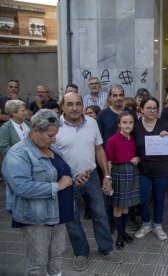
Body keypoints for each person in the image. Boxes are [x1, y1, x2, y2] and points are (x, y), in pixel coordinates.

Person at [55, 92, 123, 271]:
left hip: (91, 176)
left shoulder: (92, 122)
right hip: (68, 180)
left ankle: (106, 248)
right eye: (70, 104)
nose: (75, 108)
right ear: (62, 106)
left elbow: (99, 150)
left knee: (100, 214)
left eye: (78, 103)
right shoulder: (54, 126)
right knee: (72, 219)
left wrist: (107, 176)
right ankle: (80, 252)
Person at [2, 109, 74, 276]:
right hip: (37, 217)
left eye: (55, 134)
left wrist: (76, 175)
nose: (54, 139)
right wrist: (57, 186)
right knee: (37, 263)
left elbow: (61, 170)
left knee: (56, 256)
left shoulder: (52, 147)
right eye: (50, 135)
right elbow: (21, 187)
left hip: (60, 212)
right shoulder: (18, 153)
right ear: (34, 130)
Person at [134, 97, 168, 241]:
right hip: (143, 169)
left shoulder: (165, 123)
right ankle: (146, 224)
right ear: (141, 109)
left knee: (159, 199)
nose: (152, 110)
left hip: (163, 170)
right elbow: (132, 146)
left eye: (154, 108)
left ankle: (158, 225)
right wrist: (136, 158)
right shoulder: (136, 125)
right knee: (143, 199)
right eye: (148, 108)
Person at [106, 112, 140, 250]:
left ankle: (123, 232)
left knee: (126, 206)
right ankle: (119, 236)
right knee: (117, 206)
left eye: (130, 122)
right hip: (118, 173)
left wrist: (138, 159)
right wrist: (108, 179)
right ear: (119, 124)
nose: (127, 125)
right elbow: (108, 161)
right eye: (124, 122)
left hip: (132, 172)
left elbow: (138, 155)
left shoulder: (133, 138)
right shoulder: (112, 140)